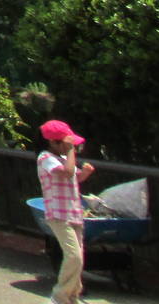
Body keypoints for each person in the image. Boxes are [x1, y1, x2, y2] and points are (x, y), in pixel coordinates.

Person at [37, 120, 94, 304]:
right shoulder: (45, 158)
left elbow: (75, 176)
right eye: (67, 144)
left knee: (79, 259)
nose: (71, 148)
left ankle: (72, 296)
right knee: (73, 256)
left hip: (73, 213)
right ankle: (60, 296)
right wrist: (71, 152)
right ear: (53, 142)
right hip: (59, 215)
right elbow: (67, 172)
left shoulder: (63, 158)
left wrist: (85, 173)